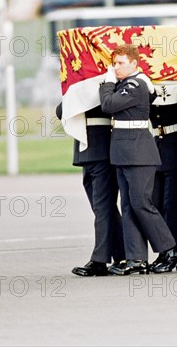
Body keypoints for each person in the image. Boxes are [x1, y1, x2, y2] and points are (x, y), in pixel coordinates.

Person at [99, 43, 177, 275]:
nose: (115, 68)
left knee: (141, 203)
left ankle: (170, 249)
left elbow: (108, 105)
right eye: (114, 63)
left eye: (120, 63)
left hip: (138, 152)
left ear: (134, 63)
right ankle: (136, 258)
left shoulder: (136, 84)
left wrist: (107, 82)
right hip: (124, 151)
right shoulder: (125, 83)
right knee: (128, 205)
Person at [56, 103, 125, 276]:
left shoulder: (98, 85)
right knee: (103, 208)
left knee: (103, 208)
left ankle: (99, 261)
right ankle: (122, 254)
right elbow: (61, 111)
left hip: (101, 149)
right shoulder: (84, 86)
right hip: (88, 152)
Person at [149, 85, 177, 270]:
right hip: (155, 148)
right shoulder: (147, 83)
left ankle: (170, 252)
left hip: (176, 148)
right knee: (155, 206)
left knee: (171, 207)